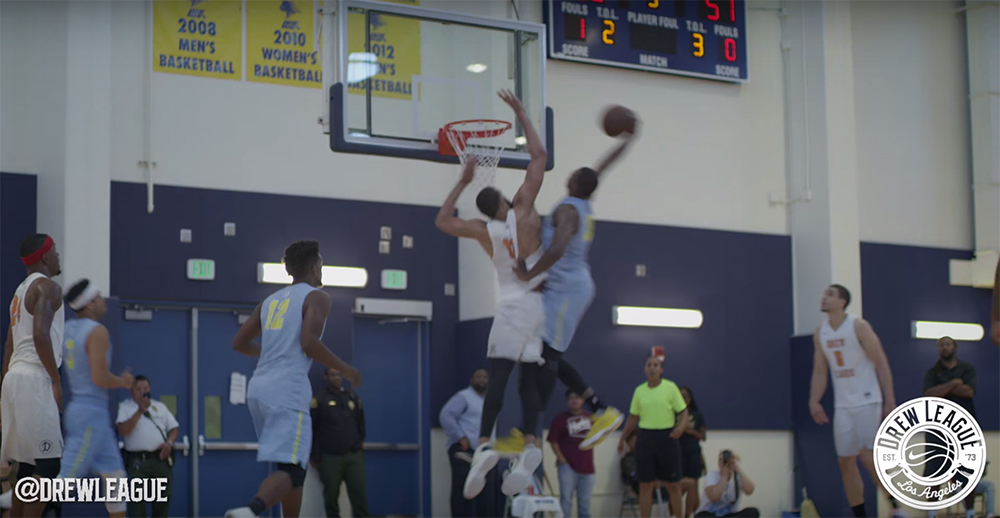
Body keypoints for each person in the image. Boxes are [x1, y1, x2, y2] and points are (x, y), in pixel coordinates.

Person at [434, 90, 549, 499]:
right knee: (531, 380)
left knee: (497, 377)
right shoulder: (524, 209)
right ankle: (532, 441)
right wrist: (521, 113)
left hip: (512, 305)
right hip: (539, 306)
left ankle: (485, 442)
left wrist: (462, 180)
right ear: (503, 199)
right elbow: (539, 158)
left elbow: (443, 221)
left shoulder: (483, 230)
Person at [513, 125, 639, 450]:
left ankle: (588, 416)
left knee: (543, 356)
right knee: (538, 353)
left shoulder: (568, 210)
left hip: (566, 290)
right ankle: (536, 430)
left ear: (572, 182)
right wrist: (626, 140)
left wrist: (528, 275)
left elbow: (556, 250)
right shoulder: (582, 197)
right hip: (567, 286)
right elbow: (602, 168)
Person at [225, 240, 361, 518]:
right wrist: (346, 369)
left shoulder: (269, 301)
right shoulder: (317, 297)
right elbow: (309, 343)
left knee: (291, 470)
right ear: (314, 267)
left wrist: (273, 351)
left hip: (260, 389)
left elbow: (239, 343)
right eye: (321, 264)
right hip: (287, 390)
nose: (321, 269)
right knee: (293, 470)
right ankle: (250, 511)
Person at [808, 284, 902, 518]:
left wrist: (890, 401)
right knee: (845, 462)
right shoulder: (821, 333)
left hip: (868, 400)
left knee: (867, 457)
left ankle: (894, 503)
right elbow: (820, 371)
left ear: (842, 302)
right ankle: (860, 514)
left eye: (829, 294)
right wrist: (814, 401)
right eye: (824, 293)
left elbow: (881, 363)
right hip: (843, 405)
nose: (824, 297)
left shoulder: (858, 326)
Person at [57, 279, 134, 517]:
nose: (103, 300)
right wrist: (123, 382)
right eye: (98, 296)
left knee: (116, 478)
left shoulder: (69, 327)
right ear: (90, 305)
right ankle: (9, 498)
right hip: (90, 414)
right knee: (63, 484)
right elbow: (100, 378)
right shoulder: (97, 331)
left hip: (86, 412)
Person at [1, 234, 65, 518]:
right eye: (55, 251)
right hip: (33, 377)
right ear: (45, 257)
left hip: (13, 376)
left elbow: (8, 346)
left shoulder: (19, 292)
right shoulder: (48, 286)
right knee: (49, 465)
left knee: (26, 466)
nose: (59, 256)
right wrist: (56, 379)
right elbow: (40, 335)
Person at [617, 357, 689, 518]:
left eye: (656, 365)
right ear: (645, 370)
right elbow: (633, 417)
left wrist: (681, 427)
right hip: (646, 439)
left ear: (661, 370)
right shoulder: (639, 391)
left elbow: (684, 411)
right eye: (649, 365)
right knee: (645, 485)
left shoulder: (670, 387)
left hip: (667, 438)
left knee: (673, 485)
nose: (652, 368)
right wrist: (622, 439)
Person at [923, 336, 977, 518]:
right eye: (941, 345)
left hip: (963, 427)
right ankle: (932, 513)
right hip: (937, 428)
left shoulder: (967, 369)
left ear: (955, 347)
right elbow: (930, 394)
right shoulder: (932, 372)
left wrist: (942, 389)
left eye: (948, 344)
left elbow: (969, 391)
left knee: (967, 469)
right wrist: (954, 384)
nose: (945, 348)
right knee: (934, 471)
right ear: (939, 349)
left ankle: (970, 512)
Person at [116, 375, 178, 518]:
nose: (142, 392)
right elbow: (123, 430)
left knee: (162, 500)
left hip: (160, 459)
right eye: (138, 389)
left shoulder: (160, 407)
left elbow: (174, 428)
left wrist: (169, 443)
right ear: (132, 391)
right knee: (137, 503)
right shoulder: (125, 407)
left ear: (149, 389)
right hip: (137, 461)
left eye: (145, 389)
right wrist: (139, 411)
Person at [310, 368, 369, 518]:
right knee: (331, 499)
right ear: (326, 377)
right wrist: (314, 456)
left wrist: (360, 442)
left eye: (338, 375)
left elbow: (360, 422)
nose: (336, 378)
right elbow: (313, 429)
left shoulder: (352, 396)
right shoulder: (320, 399)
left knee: (360, 497)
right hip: (330, 457)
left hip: (353, 455)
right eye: (332, 375)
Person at [440, 368, 497, 518]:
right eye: (478, 377)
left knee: (487, 490)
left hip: (485, 452)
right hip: (464, 450)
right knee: (463, 489)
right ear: (472, 379)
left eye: (485, 377)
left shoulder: (490, 400)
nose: (482, 380)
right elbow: (446, 415)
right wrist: (460, 437)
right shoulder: (463, 397)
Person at [548, 390, 595, 518]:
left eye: (577, 397)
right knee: (566, 501)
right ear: (567, 401)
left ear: (583, 400)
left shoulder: (590, 418)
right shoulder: (560, 419)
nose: (574, 400)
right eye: (571, 398)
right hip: (567, 467)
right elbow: (553, 440)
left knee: (585, 502)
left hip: (588, 467)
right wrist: (562, 459)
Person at [694, 450, 758, 518]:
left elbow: (750, 490)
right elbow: (713, 497)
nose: (723, 462)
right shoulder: (712, 475)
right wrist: (724, 477)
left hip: (729, 515)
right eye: (720, 460)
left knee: (753, 512)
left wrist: (737, 468)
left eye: (726, 459)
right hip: (710, 514)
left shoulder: (737, 477)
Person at [679, 386, 708, 517]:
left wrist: (689, 431)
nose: (684, 399)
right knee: (676, 486)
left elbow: (703, 436)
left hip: (693, 453)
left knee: (694, 486)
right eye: (681, 396)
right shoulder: (672, 414)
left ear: (690, 399)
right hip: (676, 454)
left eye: (686, 396)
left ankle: (691, 515)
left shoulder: (697, 415)